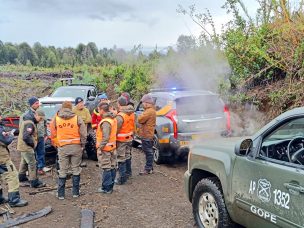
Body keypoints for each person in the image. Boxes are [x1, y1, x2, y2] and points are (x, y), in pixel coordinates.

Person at [50, 101, 87, 200]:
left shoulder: (56, 118)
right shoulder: (77, 117)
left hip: (63, 147)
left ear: (62, 108)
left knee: (62, 170)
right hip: (76, 147)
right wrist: (83, 144)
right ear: (71, 108)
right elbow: (83, 133)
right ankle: (75, 193)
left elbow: (52, 132)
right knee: (76, 169)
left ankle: (61, 194)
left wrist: (56, 143)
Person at [0, 116, 28, 207]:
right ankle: (14, 200)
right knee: (12, 175)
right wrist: (11, 135)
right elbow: (5, 140)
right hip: (2, 158)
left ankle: (0, 198)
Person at [17, 110, 46, 188]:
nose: (40, 121)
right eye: (40, 118)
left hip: (22, 146)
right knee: (32, 163)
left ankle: (22, 178)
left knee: (24, 162)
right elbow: (26, 136)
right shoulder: (29, 123)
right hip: (26, 147)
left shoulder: (28, 121)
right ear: (36, 115)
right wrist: (32, 144)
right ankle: (34, 182)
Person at [96, 102, 117, 194]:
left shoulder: (105, 122)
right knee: (112, 166)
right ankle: (110, 187)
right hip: (112, 147)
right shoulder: (113, 119)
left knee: (106, 167)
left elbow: (105, 137)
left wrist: (100, 147)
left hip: (106, 148)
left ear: (101, 110)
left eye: (98, 109)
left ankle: (106, 188)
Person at [115, 96, 135, 184]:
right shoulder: (131, 113)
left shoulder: (120, 116)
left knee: (121, 158)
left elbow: (116, 129)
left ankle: (122, 178)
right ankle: (128, 173)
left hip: (121, 140)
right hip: (129, 138)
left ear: (119, 104)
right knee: (128, 155)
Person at [138, 94, 156, 175]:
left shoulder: (149, 111)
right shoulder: (150, 110)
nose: (142, 104)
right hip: (148, 134)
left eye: (143, 102)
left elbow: (140, 119)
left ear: (147, 103)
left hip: (147, 134)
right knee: (149, 151)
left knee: (148, 152)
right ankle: (150, 168)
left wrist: (140, 115)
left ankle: (148, 169)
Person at [35, 109, 47, 175]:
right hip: (34, 138)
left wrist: (45, 135)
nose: (41, 119)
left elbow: (45, 126)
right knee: (33, 153)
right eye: (41, 117)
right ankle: (33, 168)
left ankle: (40, 168)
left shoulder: (43, 119)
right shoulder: (32, 120)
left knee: (41, 153)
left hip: (41, 137)